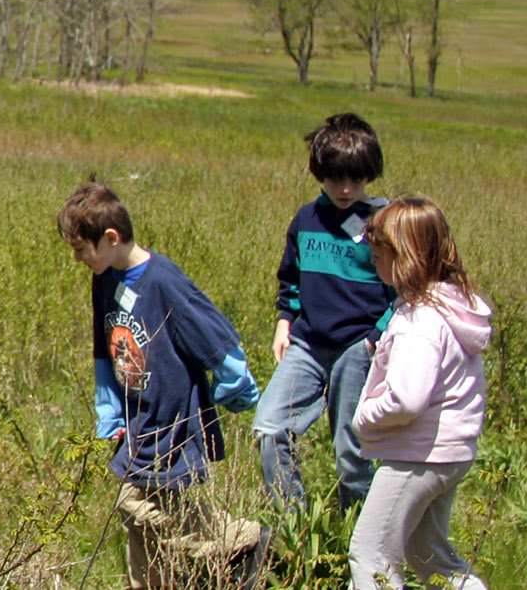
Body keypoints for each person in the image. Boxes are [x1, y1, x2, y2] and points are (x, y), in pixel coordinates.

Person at [58, 182, 271, 589]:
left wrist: (236, 383)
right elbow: (104, 349)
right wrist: (109, 410)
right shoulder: (105, 277)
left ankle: (241, 539)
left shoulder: (164, 283)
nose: (78, 258)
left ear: (111, 239)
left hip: (174, 421)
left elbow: (213, 335)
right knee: (138, 523)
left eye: (82, 249)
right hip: (138, 419)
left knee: (136, 504)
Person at [348, 195, 492, 590]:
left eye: (378, 255)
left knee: (371, 555)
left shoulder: (420, 323)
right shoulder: (448, 307)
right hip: (446, 453)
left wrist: (364, 416)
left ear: (404, 257)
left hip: (416, 455)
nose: (372, 261)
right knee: (429, 556)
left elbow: (408, 398)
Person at [256, 113, 390, 511]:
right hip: (308, 344)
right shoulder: (306, 220)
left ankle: (361, 543)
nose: (346, 189)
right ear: (318, 173)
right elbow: (291, 279)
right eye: (335, 179)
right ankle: (296, 531)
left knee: (351, 454)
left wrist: (373, 340)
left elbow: (401, 294)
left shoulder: (382, 224)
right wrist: (285, 321)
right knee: (270, 427)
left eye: (356, 179)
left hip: (358, 347)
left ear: (370, 175)